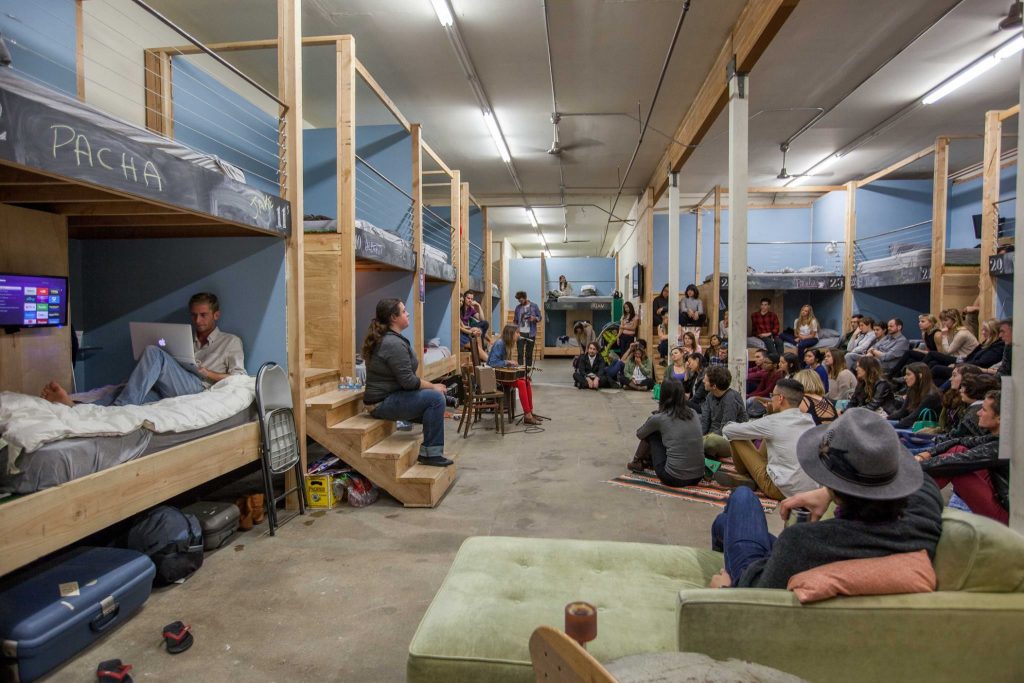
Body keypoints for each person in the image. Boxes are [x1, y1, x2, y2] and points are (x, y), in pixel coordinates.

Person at [707, 408, 943, 590]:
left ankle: (725, 556)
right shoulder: (922, 521)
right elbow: (924, 484)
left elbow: (756, 596)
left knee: (743, 498)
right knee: (724, 523)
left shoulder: (803, 541)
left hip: (754, 575)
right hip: (819, 552)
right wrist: (829, 491)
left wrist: (725, 589)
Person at [42, 292, 244, 408]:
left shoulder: (230, 341)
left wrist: (207, 372)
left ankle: (118, 410)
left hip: (199, 387)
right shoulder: (184, 337)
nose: (197, 321)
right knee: (131, 391)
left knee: (154, 352)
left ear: (216, 315)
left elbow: (240, 378)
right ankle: (75, 406)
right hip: (171, 388)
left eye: (203, 315)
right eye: (193, 315)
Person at [360, 298, 451, 467]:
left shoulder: (392, 339)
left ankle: (430, 449)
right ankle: (431, 454)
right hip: (381, 403)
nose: (407, 313)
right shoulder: (392, 343)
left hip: (392, 396)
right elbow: (408, 381)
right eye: (403, 311)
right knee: (435, 399)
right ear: (394, 318)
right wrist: (433, 386)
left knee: (433, 402)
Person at [716, 378, 818, 499]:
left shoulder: (773, 422)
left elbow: (728, 431)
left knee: (736, 436)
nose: (770, 398)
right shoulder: (809, 420)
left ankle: (747, 476)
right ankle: (750, 477)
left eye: (772, 395)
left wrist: (765, 419)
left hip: (781, 490)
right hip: (810, 490)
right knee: (766, 436)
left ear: (780, 398)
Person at [917, 390, 1008, 524]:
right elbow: (960, 441)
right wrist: (927, 454)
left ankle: (906, 502)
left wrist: (913, 467)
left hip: (1010, 518)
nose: (978, 413)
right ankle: (909, 498)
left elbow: (958, 461)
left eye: (983, 410)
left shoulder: (1002, 446)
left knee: (957, 467)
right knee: (958, 450)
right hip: (1001, 499)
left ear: (1000, 418)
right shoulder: (1000, 438)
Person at [629, 379, 705, 486]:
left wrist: (653, 419)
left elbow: (640, 434)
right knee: (669, 434)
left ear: (663, 395)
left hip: (673, 478)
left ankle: (636, 462)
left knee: (653, 433)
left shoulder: (660, 418)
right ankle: (643, 461)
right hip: (698, 476)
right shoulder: (693, 413)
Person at [488, 324, 541, 425]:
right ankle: (527, 415)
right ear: (510, 333)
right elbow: (492, 363)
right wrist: (508, 362)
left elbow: (504, 364)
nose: (519, 334)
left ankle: (530, 412)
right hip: (495, 377)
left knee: (526, 381)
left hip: (502, 374)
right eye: (517, 332)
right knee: (521, 383)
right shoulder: (500, 343)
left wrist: (514, 368)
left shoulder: (507, 344)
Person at [933, 318, 1004, 384]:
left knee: (936, 367)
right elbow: (971, 356)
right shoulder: (987, 343)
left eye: (986, 330)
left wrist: (958, 365)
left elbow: (980, 363)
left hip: (972, 370)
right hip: (965, 363)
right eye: (982, 330)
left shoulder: (997, 347)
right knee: (935, 368)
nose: (983, 332)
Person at [700, 366, 747, 460]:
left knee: (710, 442)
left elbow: (725, 429)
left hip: (730, 440)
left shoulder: (731, 398)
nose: (703, 381)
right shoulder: (710, 395)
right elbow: (705, 421)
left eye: (706, 380)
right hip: (710, 435)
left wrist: (703, 439)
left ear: (714, 386)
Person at [888, 363, 942, 430]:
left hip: (925, 429)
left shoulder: (931, 395)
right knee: (881, 424)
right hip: (912, 425)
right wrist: (885, 418)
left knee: (884, 428)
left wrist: (889, 429)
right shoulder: (912, 389)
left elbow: (913, 418)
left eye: (908, 374)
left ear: (920, 376)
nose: (905, 377)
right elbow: (903, 411)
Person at [745, 351, 782, 418]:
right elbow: (759, 389)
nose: (764, 364)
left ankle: (745, 415)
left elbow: (767, 391)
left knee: (751, 399)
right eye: (764, 362)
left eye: (767, 363)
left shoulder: (778, 376)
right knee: (749, 398)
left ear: (775, 365)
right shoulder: (766, 374)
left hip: (772, 397)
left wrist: (751, 396)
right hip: (765, 396)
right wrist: (748, 395)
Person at [512, 291, 541, 367]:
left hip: (531, 333)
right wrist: (515, 330)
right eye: (518, 300)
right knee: (520, 354)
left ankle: (527, 372)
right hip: (520, 333)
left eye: (521, 300)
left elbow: (539, 317)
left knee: (529, 354)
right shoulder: (518, 308)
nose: (520, 302)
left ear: (525, 298)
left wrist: (534, 318)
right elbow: (515, 320)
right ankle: (520, 372)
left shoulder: (534, 306)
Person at [459, 290, 490, 362]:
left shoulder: (470, 309)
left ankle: (484, 358)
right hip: (464, 331)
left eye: (471, 299)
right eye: (468, 298)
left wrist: (478, 305)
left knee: (485, 323)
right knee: (477, 330)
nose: (470, 300)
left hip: (467, 328)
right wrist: (472, 330)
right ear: (465, 298)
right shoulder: (459, 309)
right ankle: (487, 360)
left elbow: (482, 319)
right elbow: (461, 327)